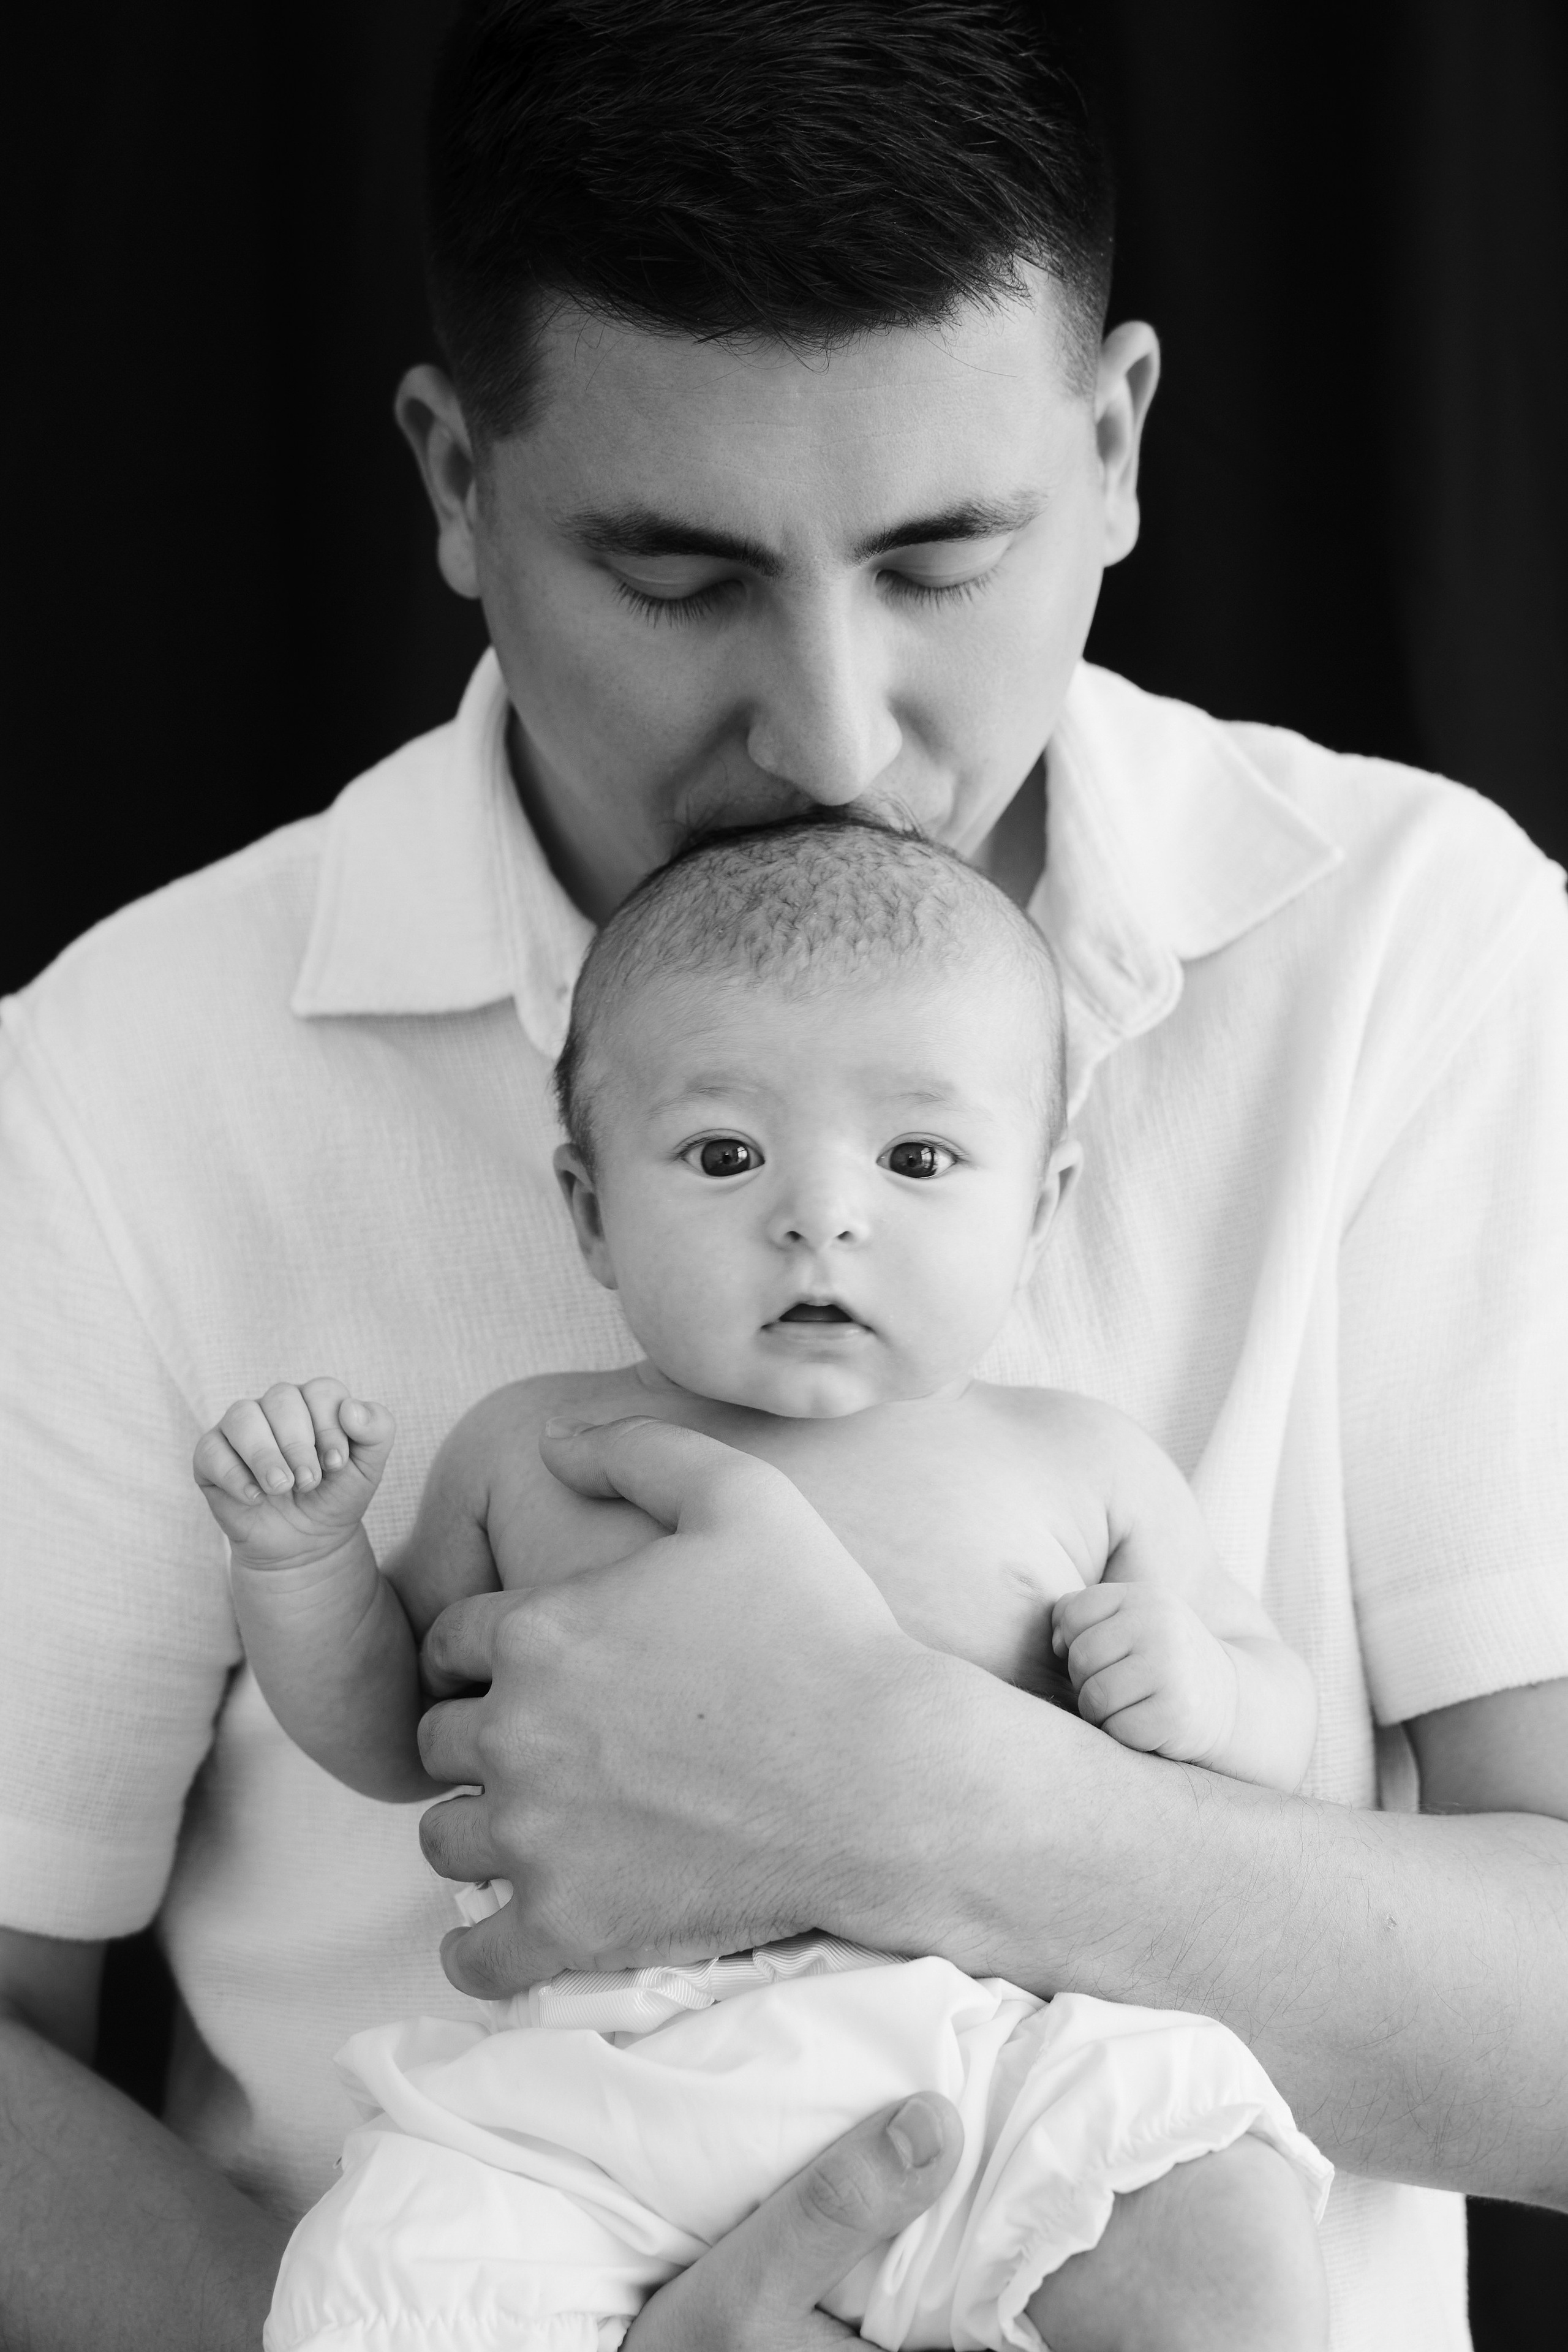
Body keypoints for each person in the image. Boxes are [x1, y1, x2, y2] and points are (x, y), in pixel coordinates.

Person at [1, 4, 1566, 2350]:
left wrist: (896, 1790)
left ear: (1120, 441)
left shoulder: (1412, 950)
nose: (834, 736)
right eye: (676, 575)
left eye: (944, 559)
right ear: (452, 478)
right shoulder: (135, 1071)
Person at [195, 819, 1331, 2350]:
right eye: (725, 1155)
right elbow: (393, 1733)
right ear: (591, 1211)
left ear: (1042, 1206)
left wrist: (1200, 1690)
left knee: (1217, 2213)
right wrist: (302, 1558)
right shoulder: (529, 1448)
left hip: (988, 2049)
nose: (820, 1215)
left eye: (916, 1158)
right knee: (375, 2289)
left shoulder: (1079, 1462)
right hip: (594, 2089)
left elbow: (1288, 1726)